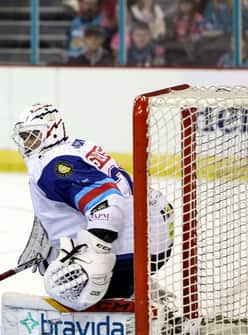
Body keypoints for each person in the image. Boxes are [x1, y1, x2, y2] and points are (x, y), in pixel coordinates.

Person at [11, 103, 173, 311]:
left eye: (33, 135)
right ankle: (137, 289)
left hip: (130, 248)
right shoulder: (77, 146)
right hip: (152, 236)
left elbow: (107, 205)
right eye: (24, 137)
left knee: (61, 284)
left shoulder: (53, 166)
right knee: (62, 256)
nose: (28, 143)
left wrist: (95, 260)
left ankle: (124, 300)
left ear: (52, 131)